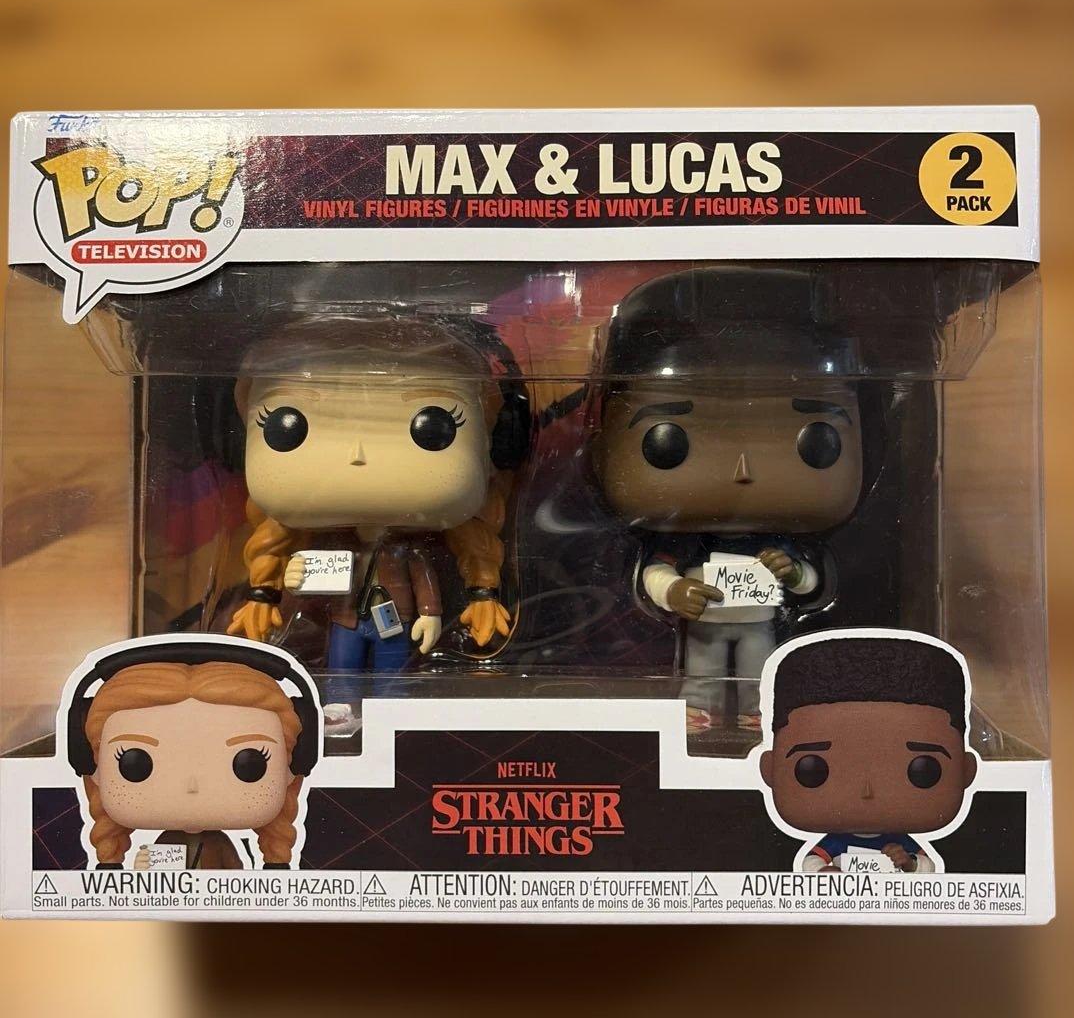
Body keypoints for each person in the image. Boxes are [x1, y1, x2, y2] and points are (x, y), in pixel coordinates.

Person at [591, 267, 865, 727]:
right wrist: (673, 590)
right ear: (603, 444)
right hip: (705, 618)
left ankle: (758, 712)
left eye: (817, 442)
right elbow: (656, 570)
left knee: (761, 667)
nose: (744, 470)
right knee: (702, 669)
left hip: (759, 619)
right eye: (669, 443)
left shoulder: (776, 539)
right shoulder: (686, 537)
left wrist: (794, 571)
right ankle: (700, 709)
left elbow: (809, 583)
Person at [226, 316, 527, 728]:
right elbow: (312, 585)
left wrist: (432, 613)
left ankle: (392, 708)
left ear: (494, 442)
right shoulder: (333, 547)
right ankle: (339, 707)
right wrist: (294, 581)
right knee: (342, 666)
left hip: (394, 619)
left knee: (391, 669)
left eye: (433, 426)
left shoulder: (407, 551)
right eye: (286, 426)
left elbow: (424, 580)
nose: (358, 455)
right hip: (347, 619)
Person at [72, 639, 316, 870]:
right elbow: (152, 884)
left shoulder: (219, 845)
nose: (192, 785)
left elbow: (236, 881)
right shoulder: (166, 843)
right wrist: (143, 868)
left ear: (294, 763)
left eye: (249, 763)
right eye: (134, 764)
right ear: (93, 766)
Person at [758, 632, 978, 873]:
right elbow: (811, 861)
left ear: (965, 771)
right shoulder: (835, 841)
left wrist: (908, 861)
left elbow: (927, 867)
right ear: (770, 770)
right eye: (812, 770)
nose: (867, 791)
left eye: (923, 770)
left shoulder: (900, 842)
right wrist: (823, 873)